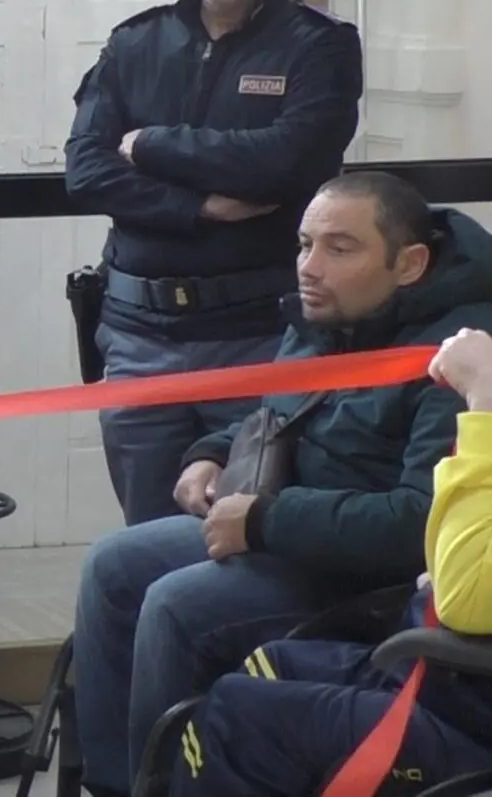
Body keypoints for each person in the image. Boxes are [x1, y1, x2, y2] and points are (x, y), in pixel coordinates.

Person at [68, 172, 492, 797]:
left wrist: (266, 519)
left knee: (177, 605)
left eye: (338, 248)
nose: (308, 267)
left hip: (369, 574)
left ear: (410, 264)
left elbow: (417, 523)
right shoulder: (326, 314)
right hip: (283, 525)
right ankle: (115, 782)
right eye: (302, 244)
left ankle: (165, 785)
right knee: (113, 564)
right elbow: (274, 411)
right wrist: (210, 454)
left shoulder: (460, 358)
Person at [63, 0, 364, 526]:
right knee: (143, 539)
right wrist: (194, 204)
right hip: (142, 339)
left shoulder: (318, 46)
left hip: (255, 335)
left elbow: (286, 162)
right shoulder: (138, 42)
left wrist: (151, 145)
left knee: (239, 534)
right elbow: (85, 166)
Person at [168, 328, 492, 796]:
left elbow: (464, 599)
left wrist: (483, 398)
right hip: (450, 670)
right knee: (268, 663)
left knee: (236, 716)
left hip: (470, 709)